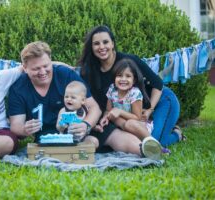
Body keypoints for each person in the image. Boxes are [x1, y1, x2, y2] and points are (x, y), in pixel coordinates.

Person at [78, 25, 182, 156]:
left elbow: (158, 84)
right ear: (92, 48)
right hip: (130, 113)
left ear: (113, 43)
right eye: (96, 43)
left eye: (105, 42)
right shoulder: (91, 71)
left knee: (154, 141)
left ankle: (176, 134)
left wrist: (150, 109)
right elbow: (100, 104)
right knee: (138, 141)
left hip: (161, 100)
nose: (101, 47)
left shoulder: (128, 60)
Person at [8, 41, 101, 148]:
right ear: (25, 68)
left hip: (73, 131)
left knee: (93, 142)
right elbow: (16, 126)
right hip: (45, 137)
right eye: (36, 68)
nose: (42, 72)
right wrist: (25, 129)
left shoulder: (65, 75)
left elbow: (94, 107)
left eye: (46, 66)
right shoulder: (18, 87)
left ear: (51, 61)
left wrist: (86, 125)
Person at [99, 58, 153, 140]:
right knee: (114, 118)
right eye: (119, 75)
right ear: (114, 77)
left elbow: (137, 117)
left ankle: (152, 141)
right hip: (120, 124)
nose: (123, 79)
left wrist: (120, 111)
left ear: (134, 80)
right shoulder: (112, 89)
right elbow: (108, 110)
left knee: (129, 123)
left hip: (137, 127)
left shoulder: (134, 93)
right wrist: (105, 117)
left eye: (128, 76)